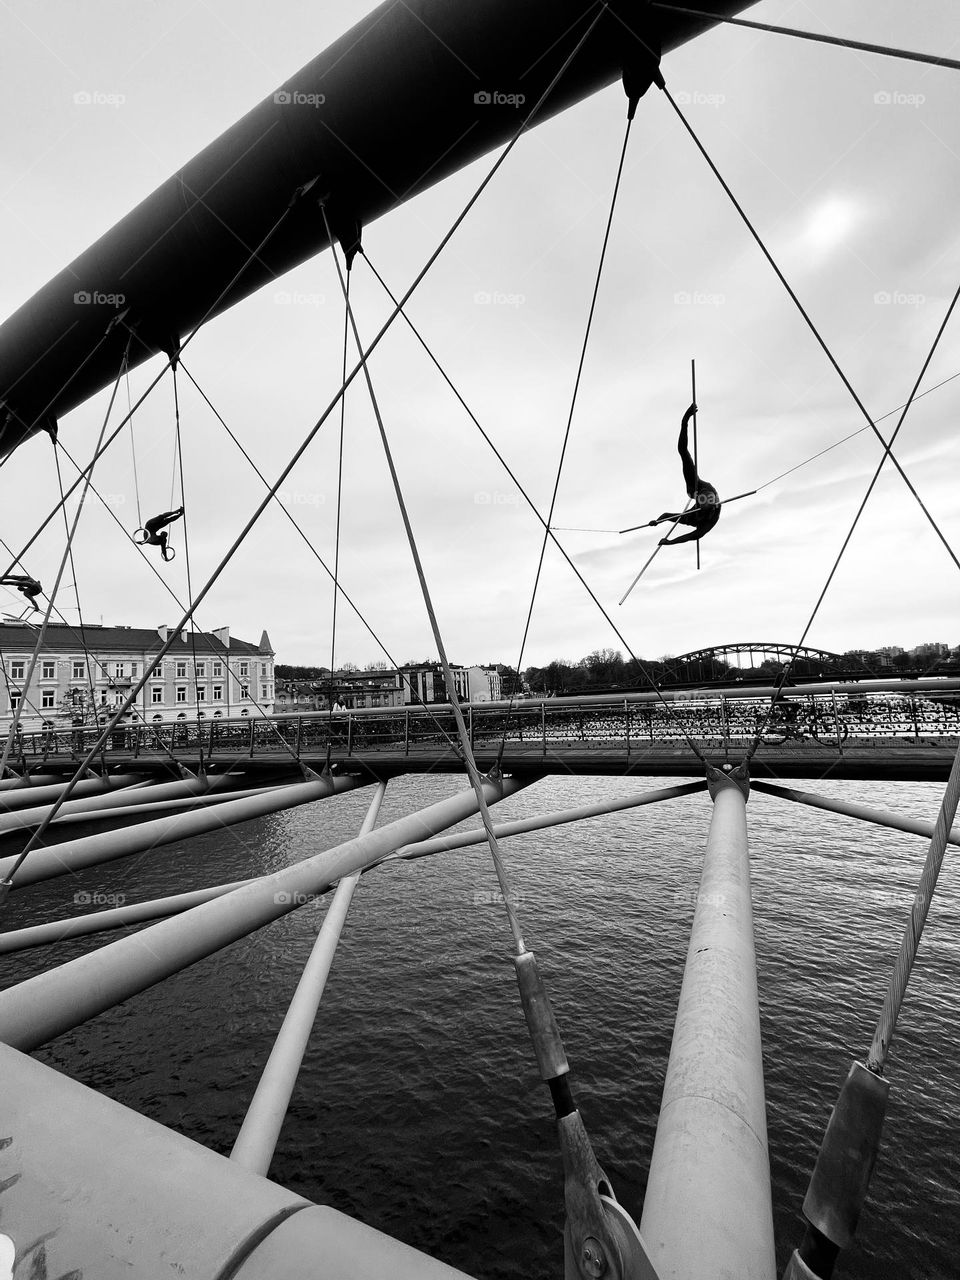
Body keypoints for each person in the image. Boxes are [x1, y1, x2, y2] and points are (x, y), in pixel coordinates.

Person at [650, 403, 722, 546]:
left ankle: (698, 500)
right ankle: (684, 420)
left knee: (684, 515)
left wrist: (669, 541)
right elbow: (682, 449)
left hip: (695, 508)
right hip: (695, 488)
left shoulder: (705, 522)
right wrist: (685, 420)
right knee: (684, 453)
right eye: (700, 499)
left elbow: (691, 536)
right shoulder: (699, 488)